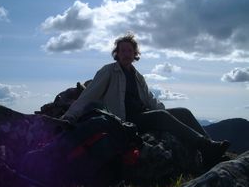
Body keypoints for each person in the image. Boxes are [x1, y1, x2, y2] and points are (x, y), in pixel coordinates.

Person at [62, 33, 230, 164]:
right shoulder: (108, 71)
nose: (126, 54)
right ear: (117, 54)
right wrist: (69, 117)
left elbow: (150, 99)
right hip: (124, 120)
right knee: (161, 116)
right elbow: (88, 95)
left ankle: (210, 150)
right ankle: (206, 147)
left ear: (135, 53)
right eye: (123, 51)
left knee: (183, 112)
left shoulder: (137, 76)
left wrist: (169, 113)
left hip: (143, 115)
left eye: (129, 50)